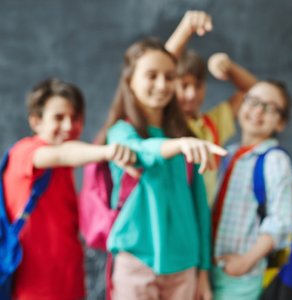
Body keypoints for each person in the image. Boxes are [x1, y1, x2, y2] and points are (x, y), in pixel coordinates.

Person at [97, 38, 226, 300]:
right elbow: (142, 151)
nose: (161, 85)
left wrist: (203, 269)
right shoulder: (122, 132)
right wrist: (178, 145)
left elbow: (200, 208)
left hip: (185, 267)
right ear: (130, 81)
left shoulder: (185, 137)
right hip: (135, 263)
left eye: (169, 77)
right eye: (151, 76)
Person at [3, 78, 137, 300]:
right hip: (33, 286)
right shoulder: (24, 153)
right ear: (36, 121)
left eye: (75, 118)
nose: (68, 126)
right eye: (58, 117)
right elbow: (62, 154)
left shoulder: (64, 168)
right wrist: (108, 152)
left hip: (69, 279)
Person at [210, 80, 292, 299]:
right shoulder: (226, 155)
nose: (258, 110)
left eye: (269, 107)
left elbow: (282, 220)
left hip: (241, 275)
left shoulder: (275, 160)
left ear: (281, 123)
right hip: (208, 268)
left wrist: (245, 261)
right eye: (253, 101)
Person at [166, 10, 258, 204]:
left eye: (197, 86)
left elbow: (257, 93)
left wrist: (230, 68)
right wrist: (185, 29)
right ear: (169, 84)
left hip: (205, 223)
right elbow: (159, 66)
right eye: (183, 86)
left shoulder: (212, 124)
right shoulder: (162, 121)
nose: (191, 94)